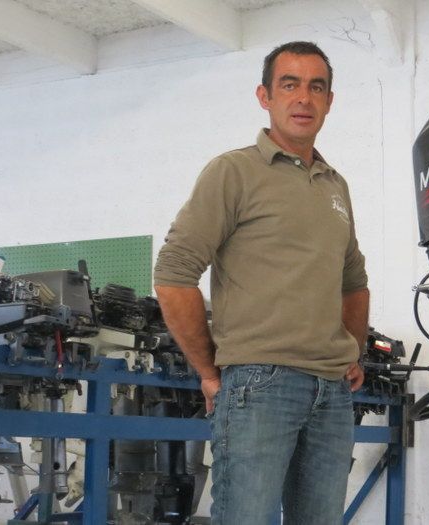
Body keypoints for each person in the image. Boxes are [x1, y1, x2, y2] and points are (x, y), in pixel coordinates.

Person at [154, 41, 370, 525]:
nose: (304, 98)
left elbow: (353, 281)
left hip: (332, 393)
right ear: (264, 96)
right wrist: (210, 372)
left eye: (316, 87)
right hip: (259, 385)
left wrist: (353, 352)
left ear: (329, 101)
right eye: (289, 85)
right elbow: (173, 273)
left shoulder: (335, 185)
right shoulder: (233, 172)